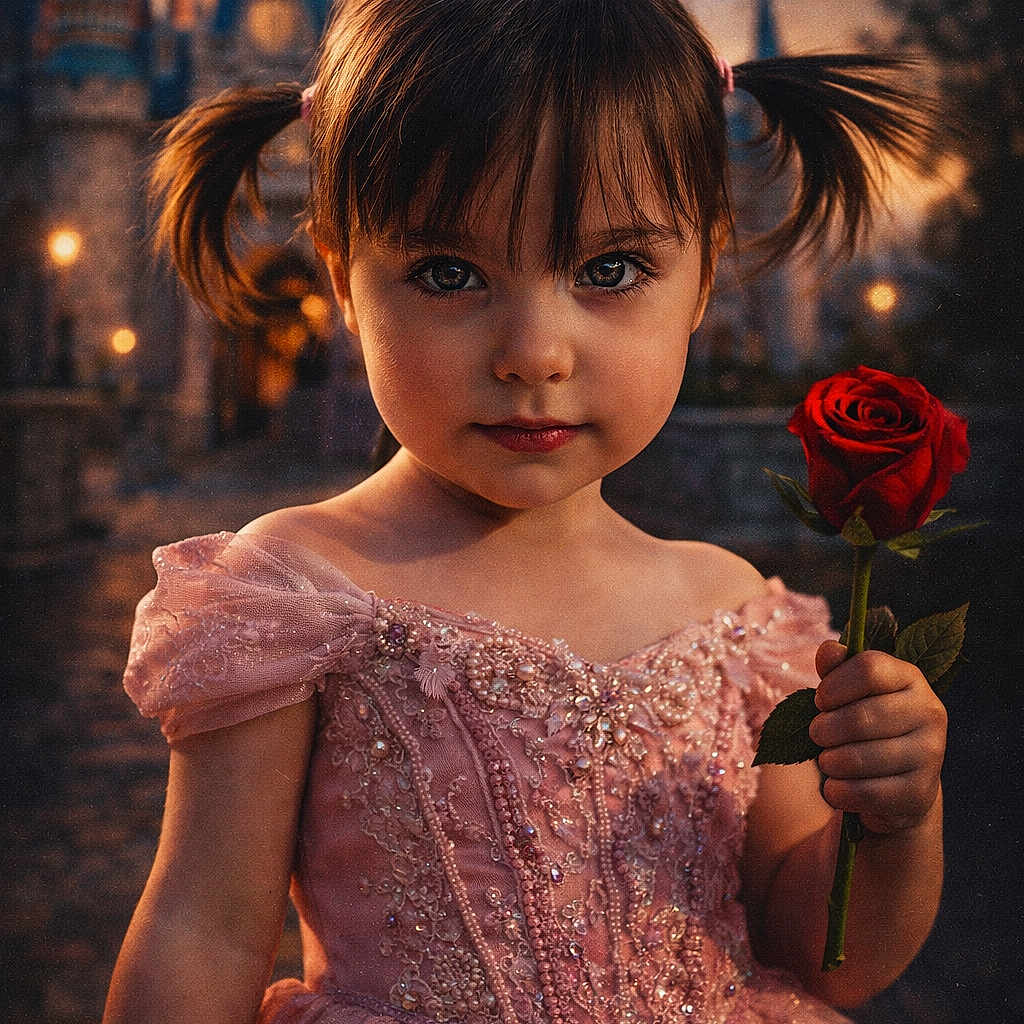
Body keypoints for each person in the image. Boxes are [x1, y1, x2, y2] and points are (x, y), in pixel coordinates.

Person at [103, 3, 947, 1022]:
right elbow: (206, 929)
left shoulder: (742, 618)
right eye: (448, 274)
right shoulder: (297, 594)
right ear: (343, 280)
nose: (532, 351)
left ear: (701, 280)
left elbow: (826, 961)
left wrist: (892, 823)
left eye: (609, 270)